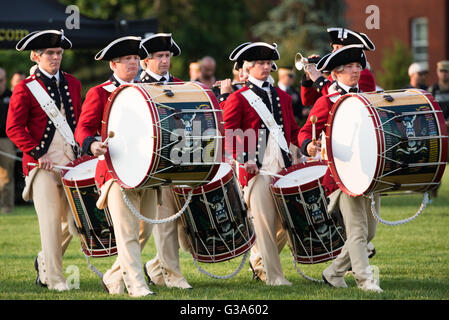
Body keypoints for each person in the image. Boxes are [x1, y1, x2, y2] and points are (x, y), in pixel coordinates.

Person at [75, 36, 158, 297]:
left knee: (145, 229)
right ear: (114, 64)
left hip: (147, 171)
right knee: (127, 232)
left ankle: (112, 276)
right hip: (115, 172)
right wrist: (91, 145)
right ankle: (136, 285)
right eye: (127, 60)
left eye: (136, 59)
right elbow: (84, 128)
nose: (133, 63)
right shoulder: (98, 92)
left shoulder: (148, 90)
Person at [298, 44, 383, 293]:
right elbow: (305, 132)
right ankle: (365, 280)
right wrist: (308, 146)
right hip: (342, 175)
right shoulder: (328, 101)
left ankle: (333, 273)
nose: (355, 71)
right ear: (335, 74)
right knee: (357, 231)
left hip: (370, 172)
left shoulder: (368, 98)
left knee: (368, 233)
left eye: (358, 66)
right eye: (348, 68)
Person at [7, 30, 82, 291]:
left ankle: (45, 261)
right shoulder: (25, 88)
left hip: (70, 163)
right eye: (50, 53)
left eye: (59, 52)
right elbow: (13, 128)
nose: (55, 57)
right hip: (41, 168)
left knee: (74, 223)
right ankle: (56, 279)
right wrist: (38, 153)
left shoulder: (73, 83)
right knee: (50, 222)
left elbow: (77, 123)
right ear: (35, 56)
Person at [223, 42, 300, 286]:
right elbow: (228, 134)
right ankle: (274, 276)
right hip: (255, 168)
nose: (265, 67)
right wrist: (244, 159)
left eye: (268, 63)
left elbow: (293, 130)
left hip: (283, 165)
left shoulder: (284, 97)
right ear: (247, 68)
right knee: (265, 224)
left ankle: (258, 259)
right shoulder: (238, 99)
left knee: (287, 224)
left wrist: (306, 145)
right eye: (260, 64)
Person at [138, 33, 192, 290]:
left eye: (167, 56)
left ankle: (164, 271)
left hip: (177, 161)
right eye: (158, 56)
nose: (164, 60)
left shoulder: (182, 87)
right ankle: (167, 273)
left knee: (173, 221)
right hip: (147, 165)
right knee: (148, 227)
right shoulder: (136, 89)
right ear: (146, 60)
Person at [301, 27, 376, 107]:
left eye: (337, 47)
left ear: (349, 50)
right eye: (333, 48)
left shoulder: (361, 73)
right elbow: (307, 101)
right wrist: (309, 77)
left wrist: (319, 80)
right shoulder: (336, 73)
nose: (333, 51)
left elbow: (346, 101)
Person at [0, 67, 15, 214]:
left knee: (6, 176)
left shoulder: (11, 96)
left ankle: (7, 207)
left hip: (5, 140)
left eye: (1, 80)